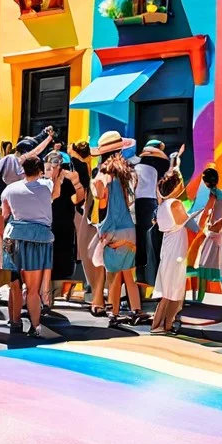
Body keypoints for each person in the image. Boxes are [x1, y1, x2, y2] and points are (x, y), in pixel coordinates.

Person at [90, 130, 147, 328]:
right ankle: (136, 310)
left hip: (113, 229)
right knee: (128, 275)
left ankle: (113, 313)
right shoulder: (128, 171)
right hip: (129, 229)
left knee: (113, 276)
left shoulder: (103, 174)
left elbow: (102, 200)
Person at [1, 155, 54, 337]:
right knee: (32, 289)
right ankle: (35, 326)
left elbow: (5, 214)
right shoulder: (47, 186)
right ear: (40, 171)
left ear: (22, 170)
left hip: (13, 236)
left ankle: (14, 322)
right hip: (37, 239)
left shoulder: (9, 189)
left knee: (14, 284)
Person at [151, 161, 196, 333]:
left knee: (169, 291)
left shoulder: (162, 205)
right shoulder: (175, 204)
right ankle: (160, 325)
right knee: (173, 292)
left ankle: (163, 325)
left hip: (169, 249)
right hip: (176, 250)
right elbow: (188, 223)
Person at [46, 150, 85, 307]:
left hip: (55, 224)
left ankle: (49, 297)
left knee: (53, 260)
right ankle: (50, 297)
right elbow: (78, 200)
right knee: (57, 260)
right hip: (61, 224)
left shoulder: (49, 181)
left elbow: (77, 199)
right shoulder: (65, 180)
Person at [133, 139, 170, 285]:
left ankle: (141, 277)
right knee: (151, 241)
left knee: (141, 240)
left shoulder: (135, 167)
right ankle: (151, 278)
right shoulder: (157, 169)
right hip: (151, 204)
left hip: (139, 204)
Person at [192, 164, 222, 302]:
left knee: (203, 265)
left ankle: (199, 300)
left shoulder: (213, 194)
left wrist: (198, 226)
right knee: (221, 268)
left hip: (213, 233)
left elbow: (206, 211)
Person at [70, 141, 98, 298]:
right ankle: (88, 283)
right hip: (85, 208)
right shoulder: (89, 167)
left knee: (78, 246)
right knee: (85, 247)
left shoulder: (74, 165)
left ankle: (83, 284)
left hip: (75, 208)